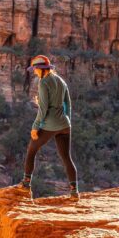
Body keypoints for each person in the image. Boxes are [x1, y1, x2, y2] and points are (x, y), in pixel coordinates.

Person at [17, 55, 79, 199]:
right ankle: (74, 191)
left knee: (31, 150)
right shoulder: (61, 81)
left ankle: (26, 184)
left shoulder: (43, 82)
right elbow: (68, 104)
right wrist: (67, 120)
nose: (34, 72)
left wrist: (35, 127)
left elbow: (43, 109)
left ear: (41, 69)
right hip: (65, 125)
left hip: (50, 125)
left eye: (35, 69)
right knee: (66, 158)